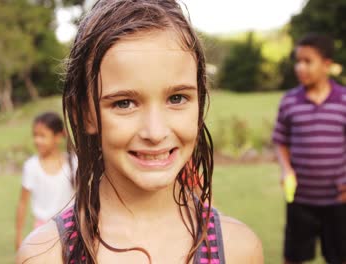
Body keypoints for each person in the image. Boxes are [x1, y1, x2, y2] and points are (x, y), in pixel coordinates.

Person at [17, 0, 263, 263]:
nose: (155, 132)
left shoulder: (238, 249)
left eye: (177, 98)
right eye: (124, 103)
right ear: (84, 115)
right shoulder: (47, 255)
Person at [272, 33, 346, 264]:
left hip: (338, 201)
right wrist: (286, 169)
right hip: (300, 201)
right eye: (298, 60)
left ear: (326, 64)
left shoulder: (343, 100)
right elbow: (280, 141)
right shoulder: (289, 101)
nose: (300, 67)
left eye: (307, 61)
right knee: (292, 257)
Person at [15, 112, 76, 250]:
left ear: (58, 136)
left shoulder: (74, 162)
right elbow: (22, 203)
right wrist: (18, 236)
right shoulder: (31, 166)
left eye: (42, 136)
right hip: (42, 232)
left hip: (72, 231)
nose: (37, 140)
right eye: (35, 135)